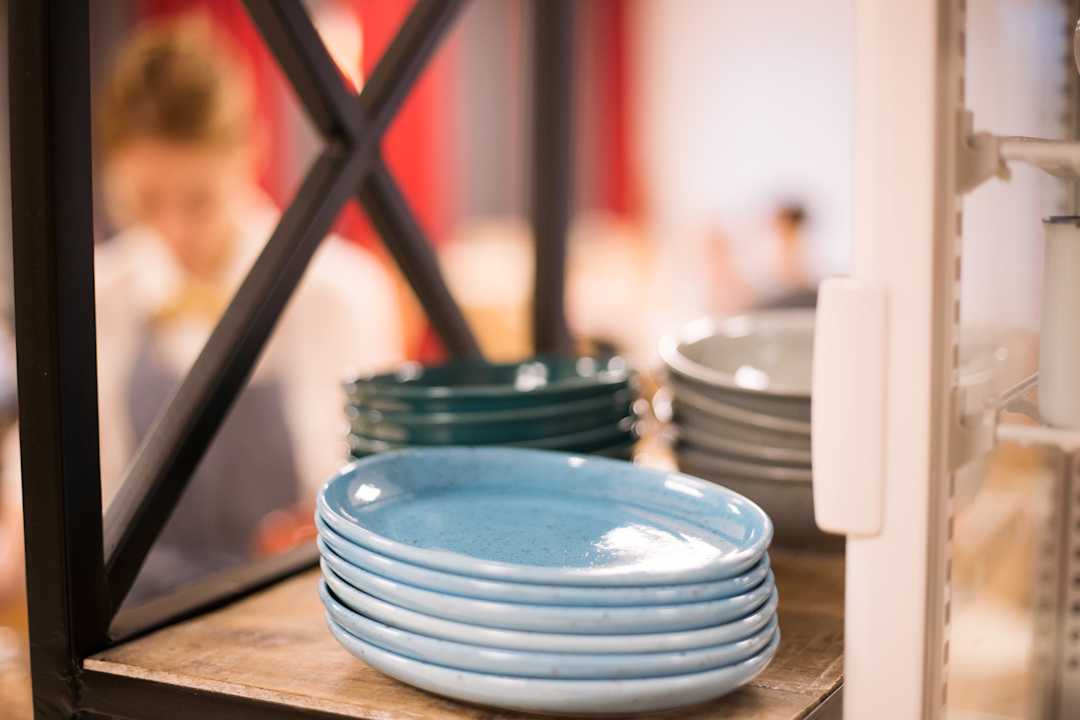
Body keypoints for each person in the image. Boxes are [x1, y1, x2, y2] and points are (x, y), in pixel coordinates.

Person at [0, 17, 404, 604]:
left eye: (198, 200)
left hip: (289, 604)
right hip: (133, 614)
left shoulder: (342, 292)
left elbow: (370, 489)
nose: (174, 229)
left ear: (251, 151)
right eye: (145, 201)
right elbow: (57, 489)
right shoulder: (96, 295)